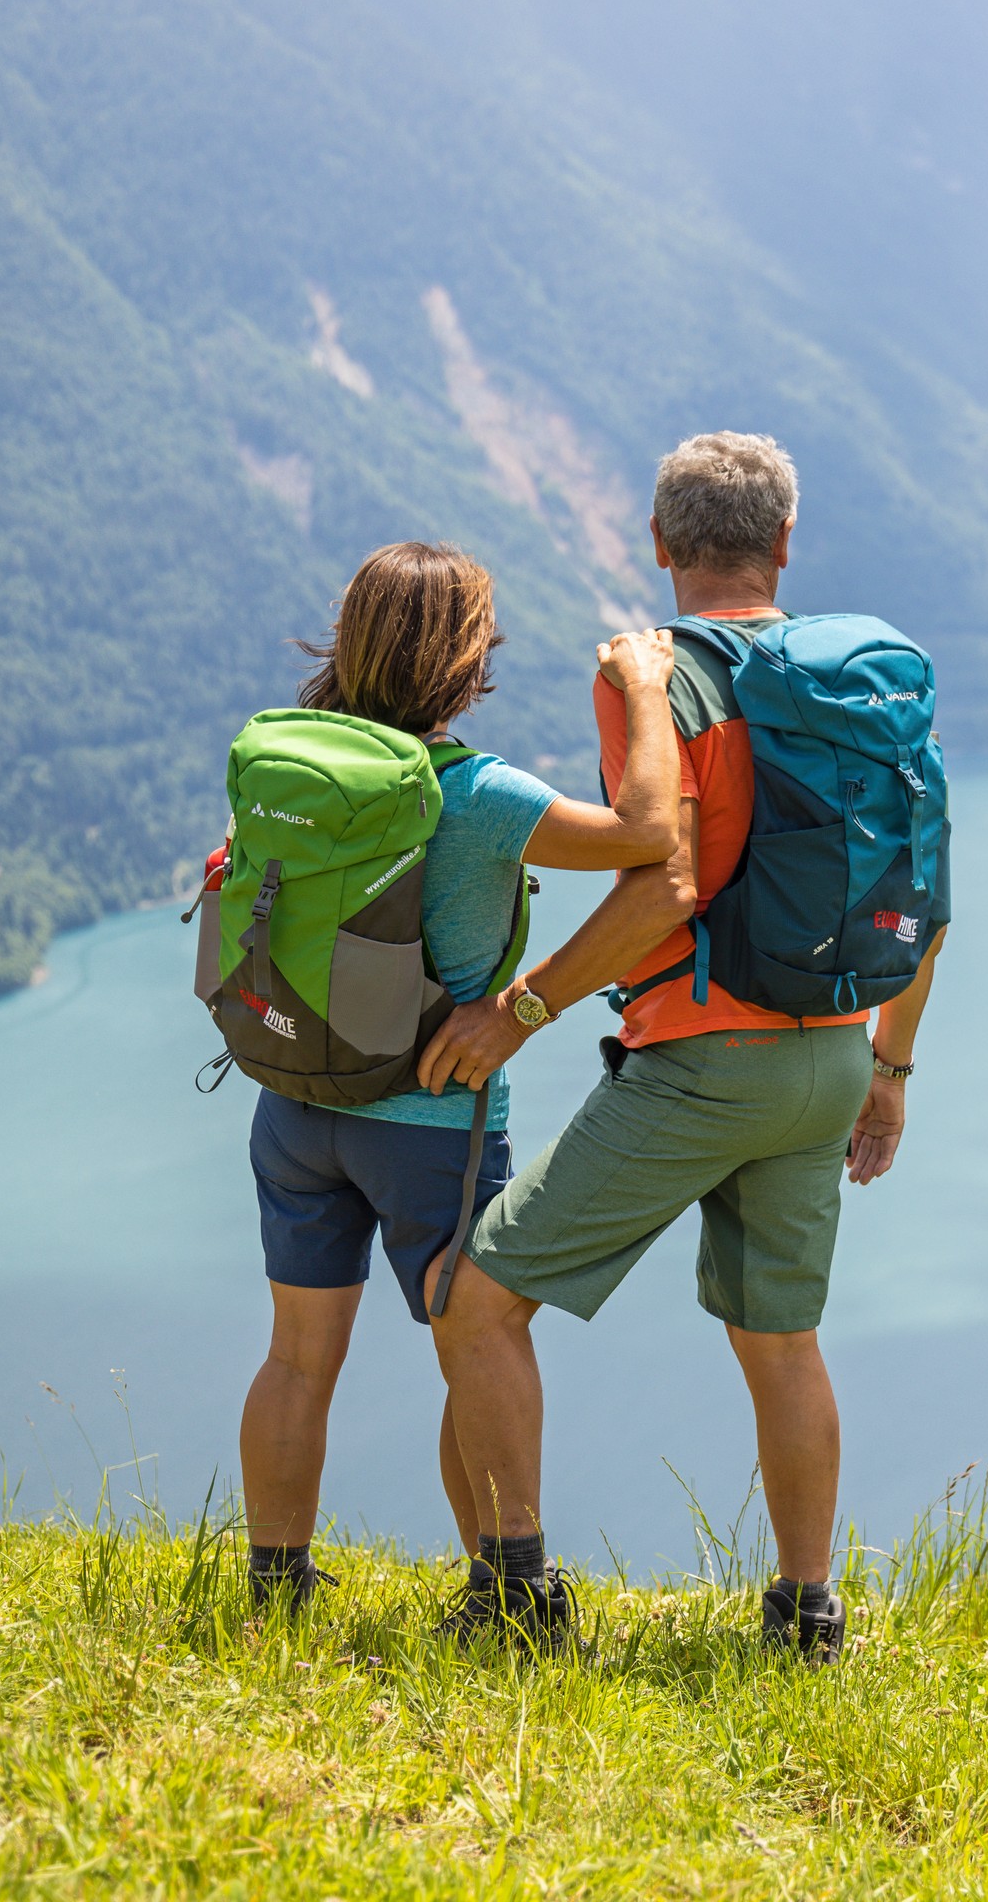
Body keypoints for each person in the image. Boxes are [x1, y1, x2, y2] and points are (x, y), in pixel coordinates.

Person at [414, 432, 948, 1655]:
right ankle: (807, 1617)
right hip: (831, 1056)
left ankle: (514, 1603)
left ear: (657, 545)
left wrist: (520, 1010)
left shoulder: (656, 677)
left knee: (474, 1303)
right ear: (786, 541)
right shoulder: (864, 689)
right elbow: (931, 902)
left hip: (705, 1057)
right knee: (782, 1344)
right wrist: (889, 1074)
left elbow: (665, 884)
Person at [237, 541, 682, 1611]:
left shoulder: (294, 761)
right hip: (431, 1116)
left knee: (298, 1356)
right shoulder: (476, 794)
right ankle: (512, 1590)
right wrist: (647, 690)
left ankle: (275, 1589)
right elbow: (650, 839)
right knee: (476, 1335)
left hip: (294, 1102)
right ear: (463, 656)